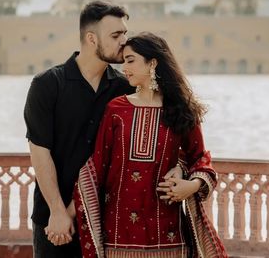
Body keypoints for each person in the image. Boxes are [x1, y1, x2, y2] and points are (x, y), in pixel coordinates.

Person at [24, 2, 182, 258]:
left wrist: (179, 168)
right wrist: (57, 211)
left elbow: (164, 134)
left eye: (125, 33)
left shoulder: (126, 89)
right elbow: (40, 153)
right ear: (91, 39)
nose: (124, 41)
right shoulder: (47, 85)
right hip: (55, 219)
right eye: (115, 35)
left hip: (108, 222)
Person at [74, 32, 228, 257]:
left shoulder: (181, 110)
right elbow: (96, 168)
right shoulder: (116, 110)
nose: (124, 68)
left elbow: (200, 160)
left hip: (170, 236)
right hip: (118, 236)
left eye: (130, 60)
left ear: (152, 62)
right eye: (123, 61)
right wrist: (66, 211)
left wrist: (191, 185)